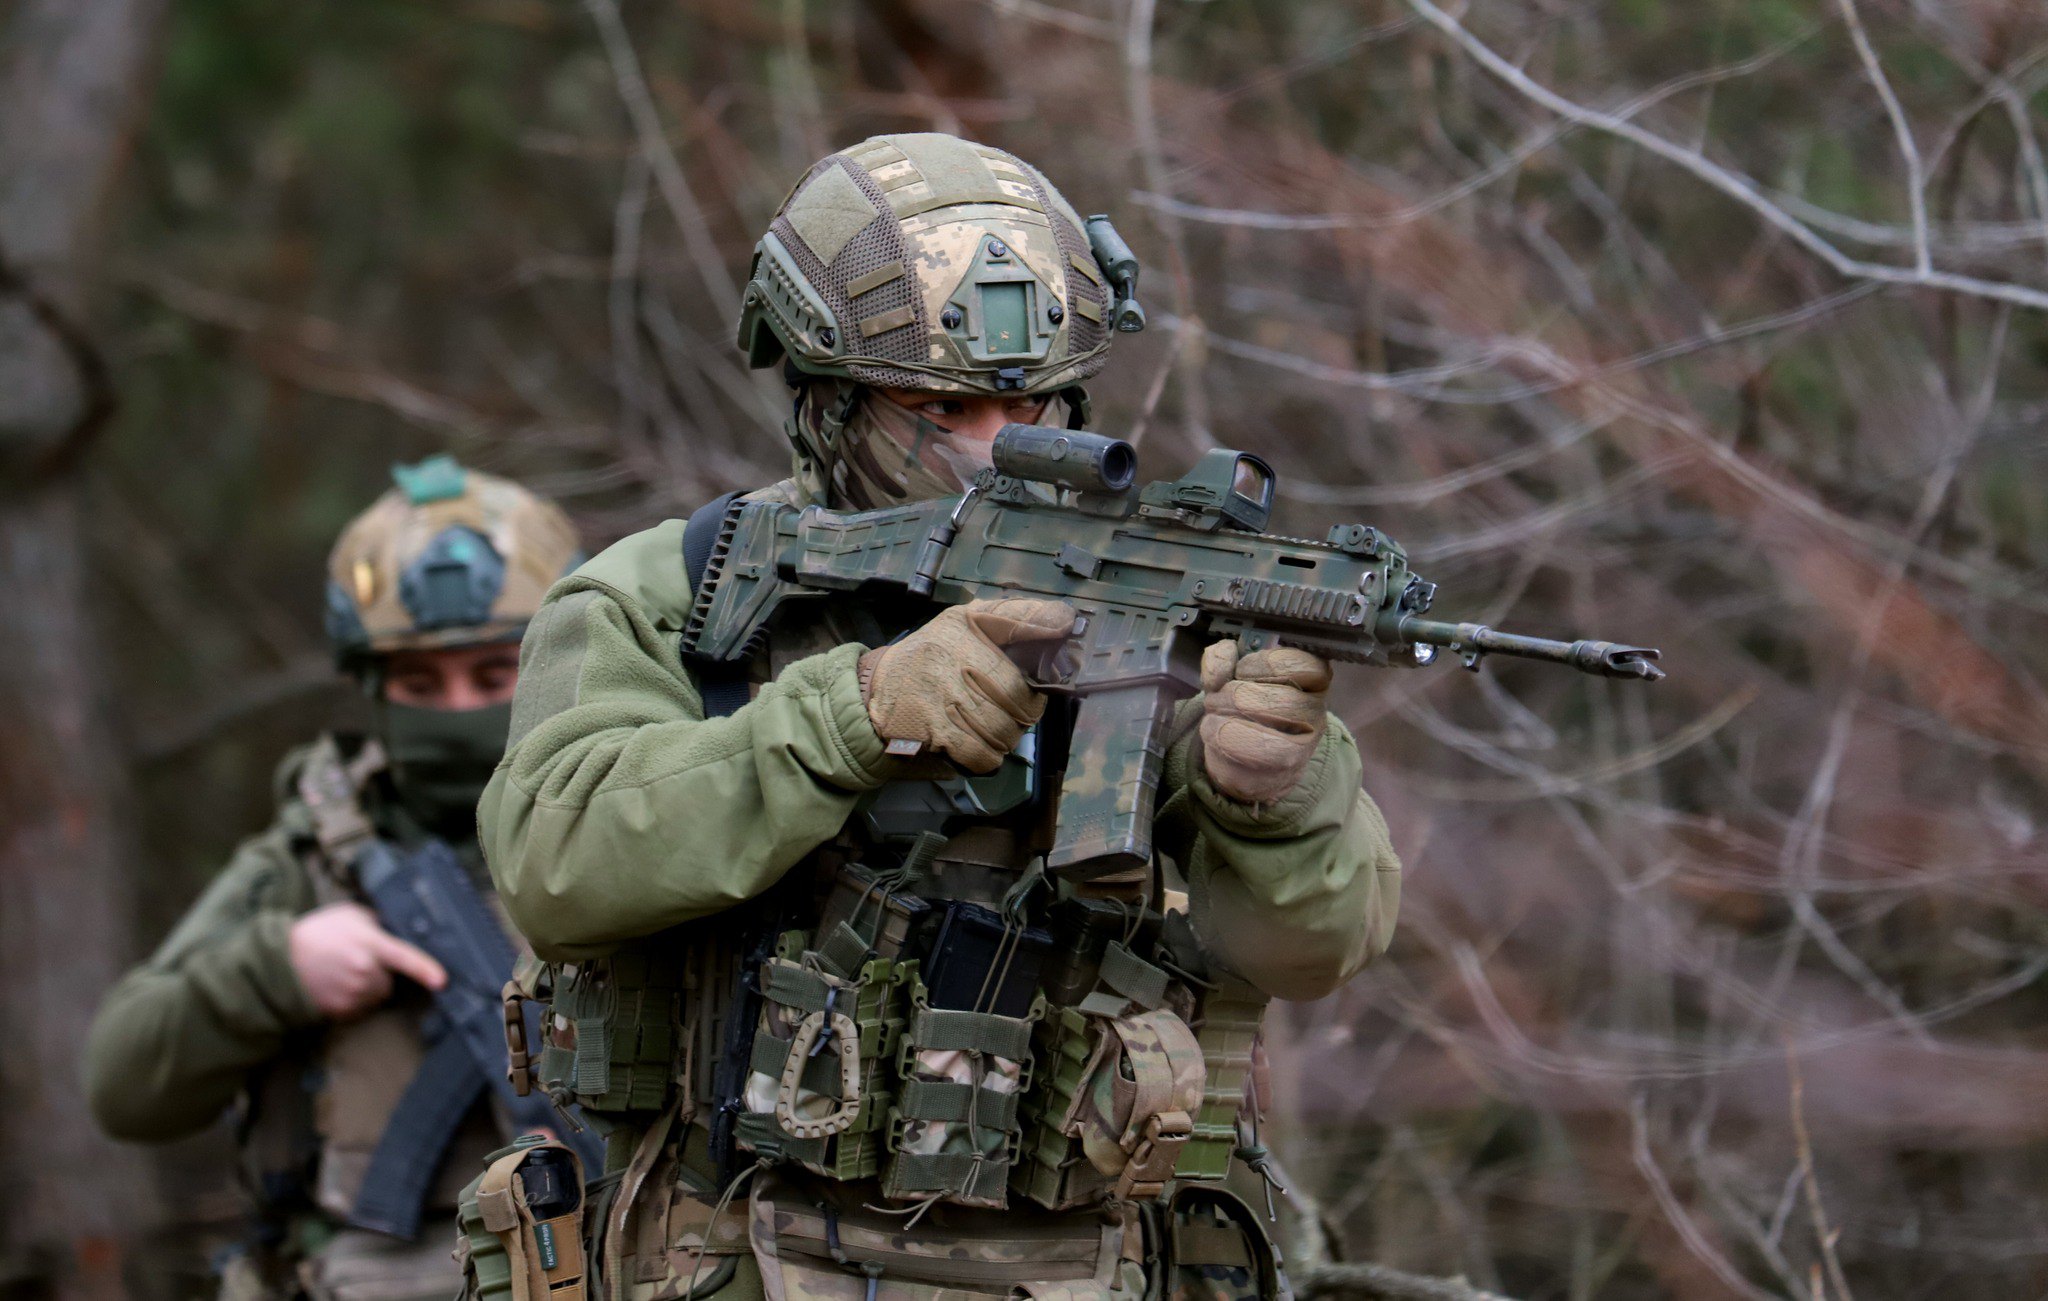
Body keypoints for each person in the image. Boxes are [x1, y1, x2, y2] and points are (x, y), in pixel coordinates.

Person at [478, 132, 1402, 1301]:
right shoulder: (676, 595)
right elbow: (551, 861)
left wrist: (1273, 800)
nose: (991, 450)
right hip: (739, 1253)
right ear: (821, 399)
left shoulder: (1161, 602)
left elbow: (1319, 945)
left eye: (1033, 403)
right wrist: (849, 716)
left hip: (1087, 1266)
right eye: (937, 406)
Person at [84, 457, 584, 1301]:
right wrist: (281, 970)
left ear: (551, 669)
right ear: (370, 687)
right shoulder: (314, 858)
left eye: (492, 677)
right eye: (419, 682)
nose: (457, 711)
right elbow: (123, 1084)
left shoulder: (631, 825)